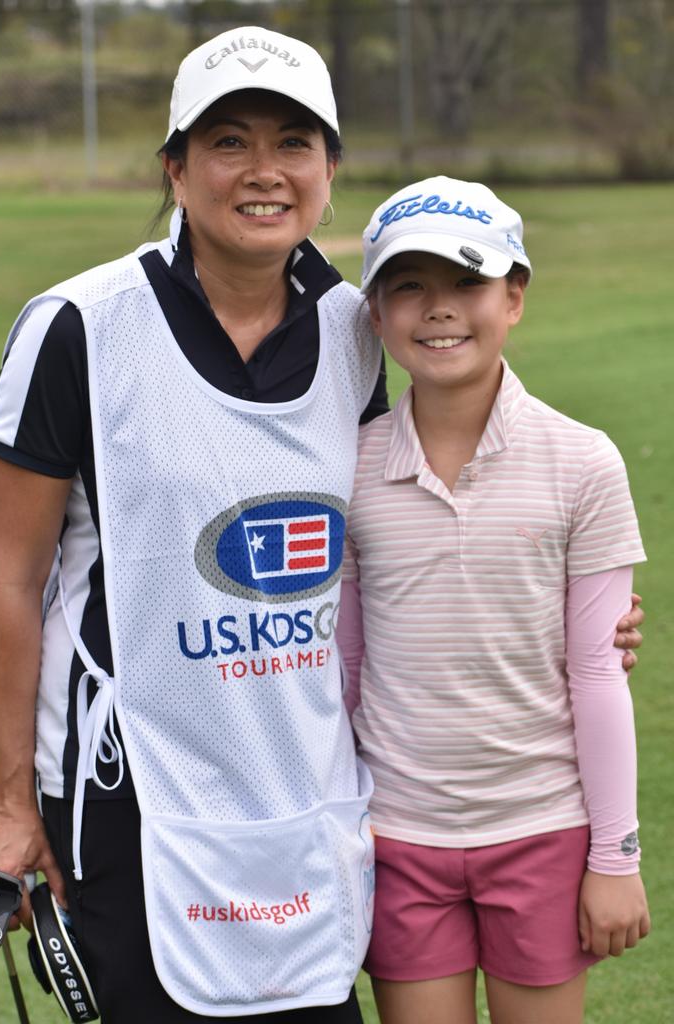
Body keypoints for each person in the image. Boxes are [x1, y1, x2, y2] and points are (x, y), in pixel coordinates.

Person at [0, 25, 643, 1023]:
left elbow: (411, 521)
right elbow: (10, 582)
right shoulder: (78, 327)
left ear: (330, 168)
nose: (263, 171)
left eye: (293, 143)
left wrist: (573, 615)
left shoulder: (358, 334)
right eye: (228, 142)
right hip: (129, 792)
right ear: (176, 166)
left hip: (315, 791)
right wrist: (12, 805)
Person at [337, 176, 651, 1024]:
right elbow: (346, 665)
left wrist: (615, 857)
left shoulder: (584, 462)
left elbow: (597, 674)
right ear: (374, 312)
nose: (439, 309)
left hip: (543, 831)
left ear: (514, 296)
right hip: (397, 838)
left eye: (468, 283)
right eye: (410, 286)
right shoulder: (350, 468)